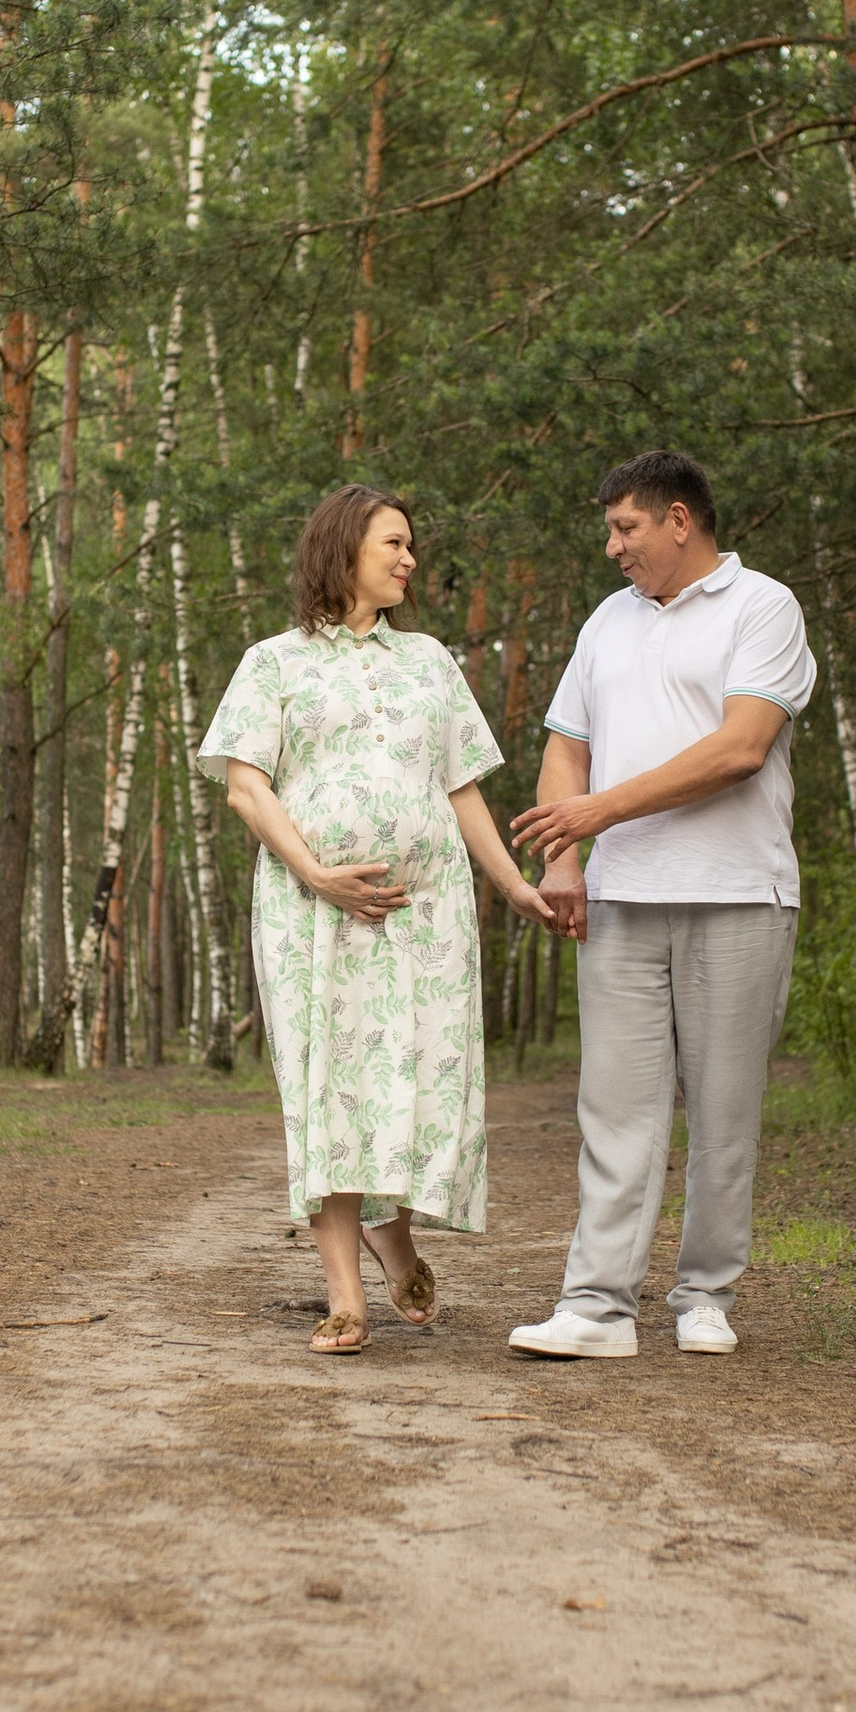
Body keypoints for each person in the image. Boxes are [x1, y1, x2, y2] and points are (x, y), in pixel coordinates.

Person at [202, 484, 555, 1356]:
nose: (408, 560)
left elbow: (461, 788)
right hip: (309, 910)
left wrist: (511, 885)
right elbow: (248, 783)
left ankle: (392, 1234)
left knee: (407, 1081)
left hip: (424, 918)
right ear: (343, 549)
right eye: (393, 544)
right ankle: (346, 1296)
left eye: (411, 547)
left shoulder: (430, 662)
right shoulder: (274, 661)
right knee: (328, 1085)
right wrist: (318, 872)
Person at [506, 450, 815, 1359]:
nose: (612, 548)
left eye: (625, 528)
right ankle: (596, 1308)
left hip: (736, 895)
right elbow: (568, 745)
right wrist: (565, 860)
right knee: (616, 1108)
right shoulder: (608, 621)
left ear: (680, 521)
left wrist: (601, 809)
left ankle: (705, 1296)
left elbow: (740, 749)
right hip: (621, 902)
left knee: (724, 1111)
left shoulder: (765, 607)